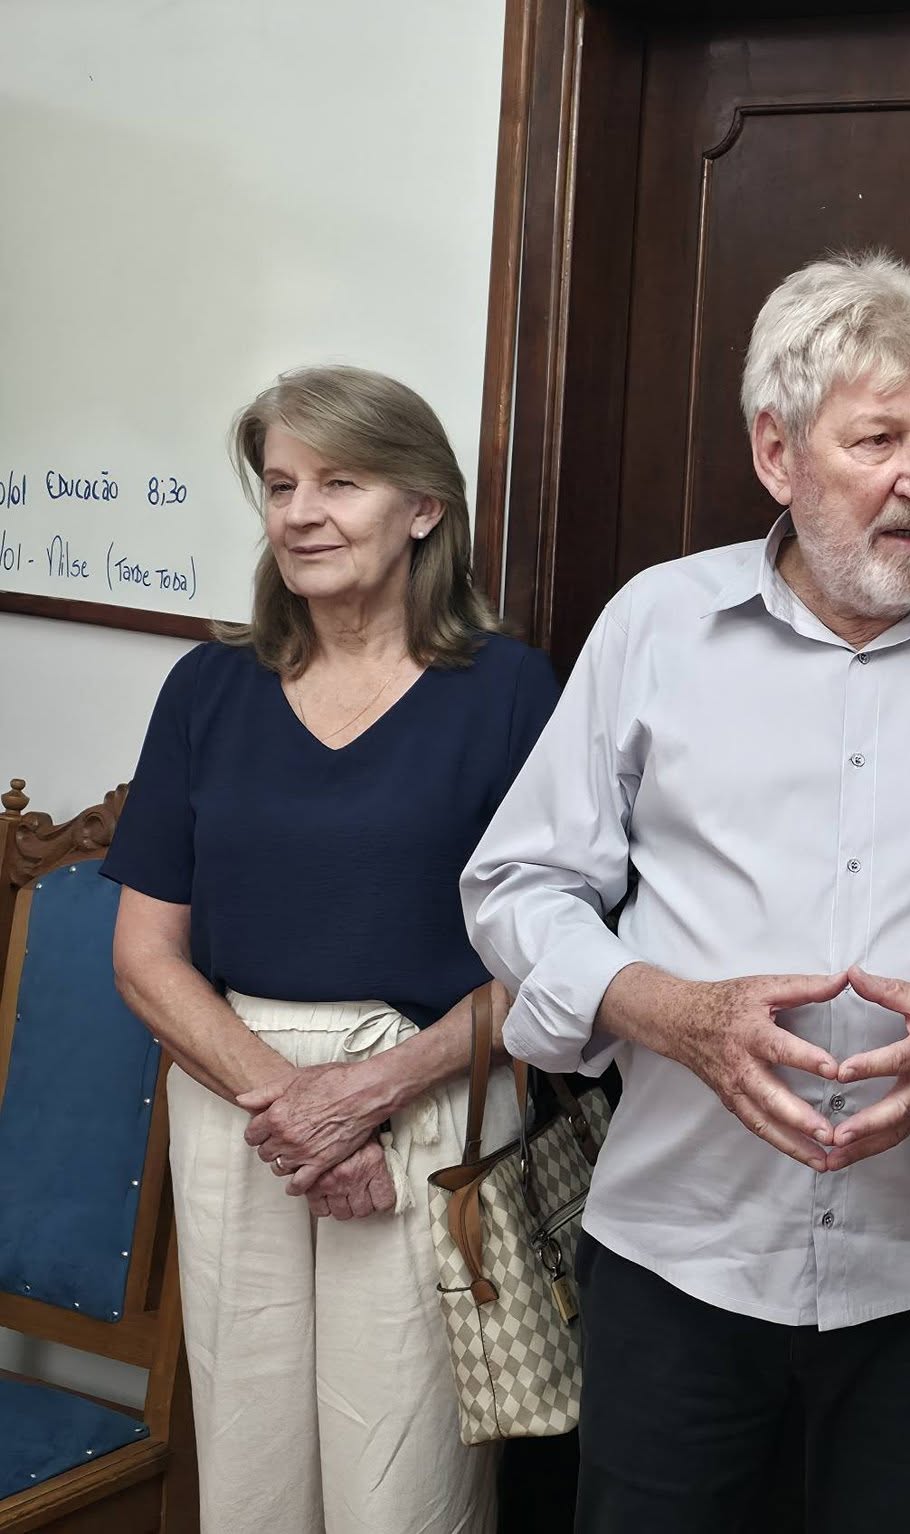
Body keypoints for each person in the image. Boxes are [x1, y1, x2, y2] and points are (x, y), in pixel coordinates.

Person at [462, 249, 910, 1531]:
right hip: (680, 1257)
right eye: (878, 440)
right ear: (776, 453)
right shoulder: (655, 627)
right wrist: (669, 1012)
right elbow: (518, 885)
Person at [103, 365, 559, 1534]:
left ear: (425, 507)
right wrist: (296, 1106)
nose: (300, 513)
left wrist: (364, 1095)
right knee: (250, 1473)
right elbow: (145, 954)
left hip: (431, 1103)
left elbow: (549, 963)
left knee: (402, 1484)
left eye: (340, 483)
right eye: (280, 485)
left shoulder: (509, 691)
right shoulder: (208, 687)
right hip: (238, 1105)